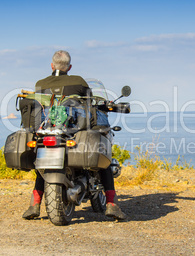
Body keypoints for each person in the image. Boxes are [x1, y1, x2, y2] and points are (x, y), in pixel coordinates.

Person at [22, 50, 126, 220]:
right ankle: (112, 204)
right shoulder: (78, 81)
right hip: (73, 130)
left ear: (51, 65)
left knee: (42, 166)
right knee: (104, 161)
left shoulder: (40, 84)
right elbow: (90, 103)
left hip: (46, 129)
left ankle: (34, 204)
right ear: (69, 67)